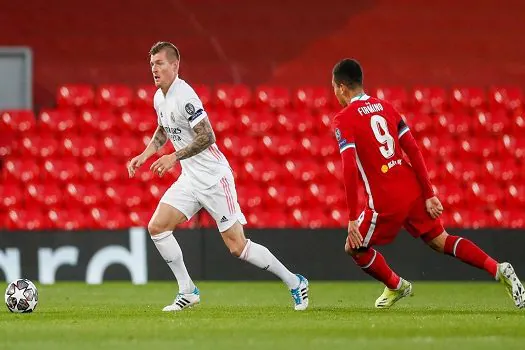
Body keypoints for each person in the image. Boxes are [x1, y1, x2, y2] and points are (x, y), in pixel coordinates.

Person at [127, 41, 308, 312]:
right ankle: (187, 291)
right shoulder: (159, 97)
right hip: (190, 179)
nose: (154, 69)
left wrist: (173, 157)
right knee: (157, 227)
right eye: (152, 64)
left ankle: (295, 282)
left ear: (175, 66)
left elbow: (207, 136)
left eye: (160, 63)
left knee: (237, 247)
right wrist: (145, 155)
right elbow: (163, 130)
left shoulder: (185, 95)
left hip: (213, 178)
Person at [330, 58, 524, 309]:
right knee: (440, 239)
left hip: (385, 197)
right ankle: (498, 268)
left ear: (343, 87)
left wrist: (352, 217)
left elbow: (348, 166)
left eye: (334, 87)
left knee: (354, 247)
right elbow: (412, 147)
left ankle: (396, 285)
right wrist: (429, 193)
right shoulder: (386, 107)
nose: (334, 93)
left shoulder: (343, 119)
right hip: (410, 186)